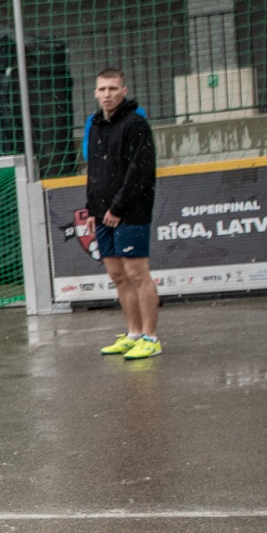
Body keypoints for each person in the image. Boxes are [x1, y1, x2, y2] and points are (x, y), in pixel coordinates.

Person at [85, 69, 159, 360]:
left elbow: (140, 172)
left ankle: (151, 338)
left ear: (124, 91)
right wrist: (93, 209)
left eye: (113, 89)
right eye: (102, 89)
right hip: (103, 213)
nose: (107, 94)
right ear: (95, 93)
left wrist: (117, 208)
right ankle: (134, 334)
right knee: (117, 275)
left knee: (137, 274)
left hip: (130, 212)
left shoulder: (135, 124)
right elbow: (94, 171)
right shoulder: (95, 125)